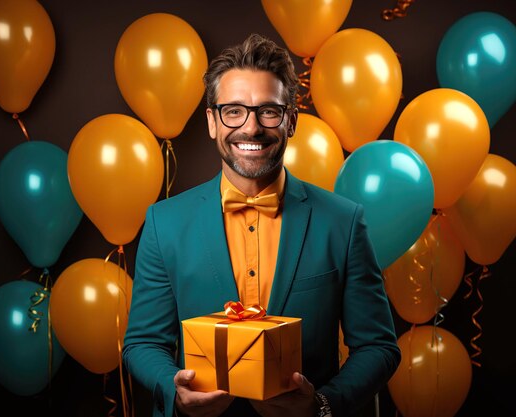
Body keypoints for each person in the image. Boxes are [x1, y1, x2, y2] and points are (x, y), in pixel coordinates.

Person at [123, 33, 401, 417]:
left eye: (268, 111)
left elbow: (378, 346)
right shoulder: (164, 222)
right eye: (233, 111)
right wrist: (174, 394)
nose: (250, 128)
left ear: (290, 122)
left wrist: (321, 405)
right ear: (212, 122)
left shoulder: (343, 222)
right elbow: (142, 342)